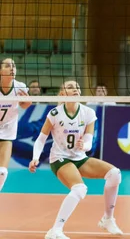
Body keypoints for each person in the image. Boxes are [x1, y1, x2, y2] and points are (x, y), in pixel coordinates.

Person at [29, 80, 123, 239]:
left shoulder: (88, 113)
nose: (75, 89)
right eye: (70, 87)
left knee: (115, 174)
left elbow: (89, 140)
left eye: (77, 87)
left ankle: (108, 219)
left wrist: (84, 145)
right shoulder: (55, 114)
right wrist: (35, 158)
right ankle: (55, 230)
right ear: (62, 93)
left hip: (80, 158)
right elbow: (41, 139)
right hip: (60, 158)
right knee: (80, 189)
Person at [0, 58, 32, 192]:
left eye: (13, 66)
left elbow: (24, 105)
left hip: (7, 131)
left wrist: (27, 101)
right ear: (1, 71)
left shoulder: (20, 87)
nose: (12, 68)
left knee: (2, 172)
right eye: (7, 66)